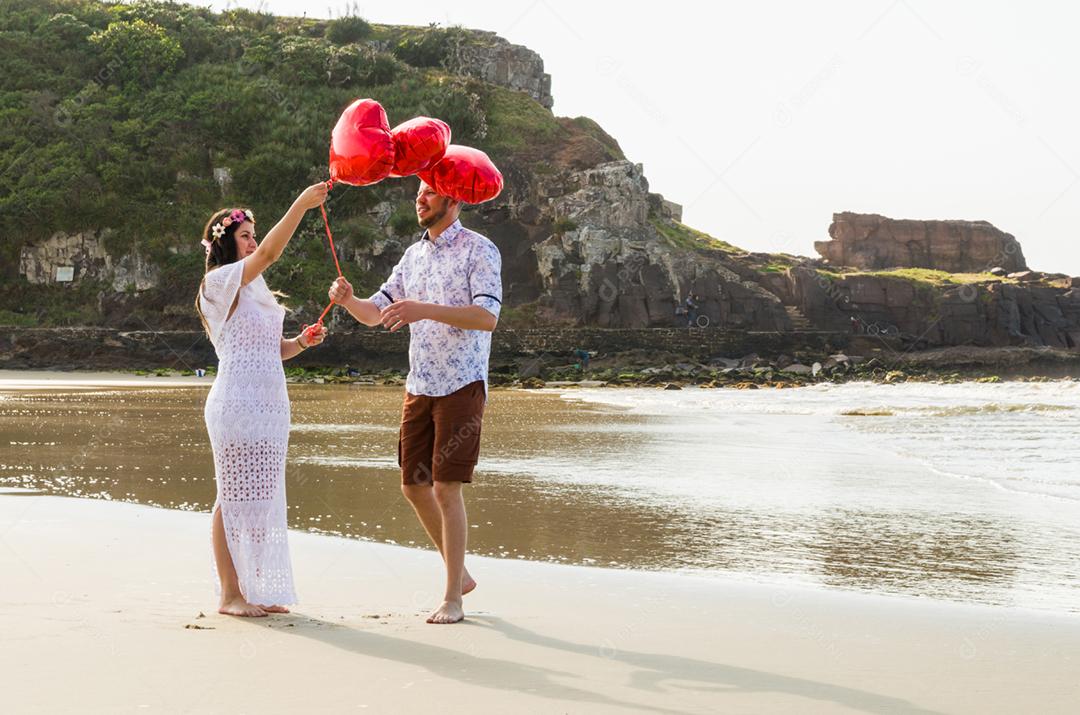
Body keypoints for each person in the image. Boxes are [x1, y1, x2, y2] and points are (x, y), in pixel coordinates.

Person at [328, 180, 502, 624]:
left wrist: (424, 309)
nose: (419, 199)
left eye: (429, 192)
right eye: (419, 192)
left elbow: (487, 317)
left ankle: (453, 599)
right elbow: (377, 312)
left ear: (453, 200)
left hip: (462, 382)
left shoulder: (480, 249)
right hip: (419, 383)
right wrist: (350, 302)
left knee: (445, 488)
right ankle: (459, 574)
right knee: (413, 486)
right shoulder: (412, 255)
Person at [195, 183, 331, 617]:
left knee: (261, 495)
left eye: (254, 234)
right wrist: (300, 205)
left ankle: (253, 587)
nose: (253, 241)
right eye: (246, 235)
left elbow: (274, 350)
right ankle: (229, 593)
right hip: (235, 401)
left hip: (269, 403)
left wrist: (302, 343)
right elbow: (271, 253)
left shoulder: (255, 289)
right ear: (225, 243)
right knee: (232, 495)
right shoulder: (217, 283)